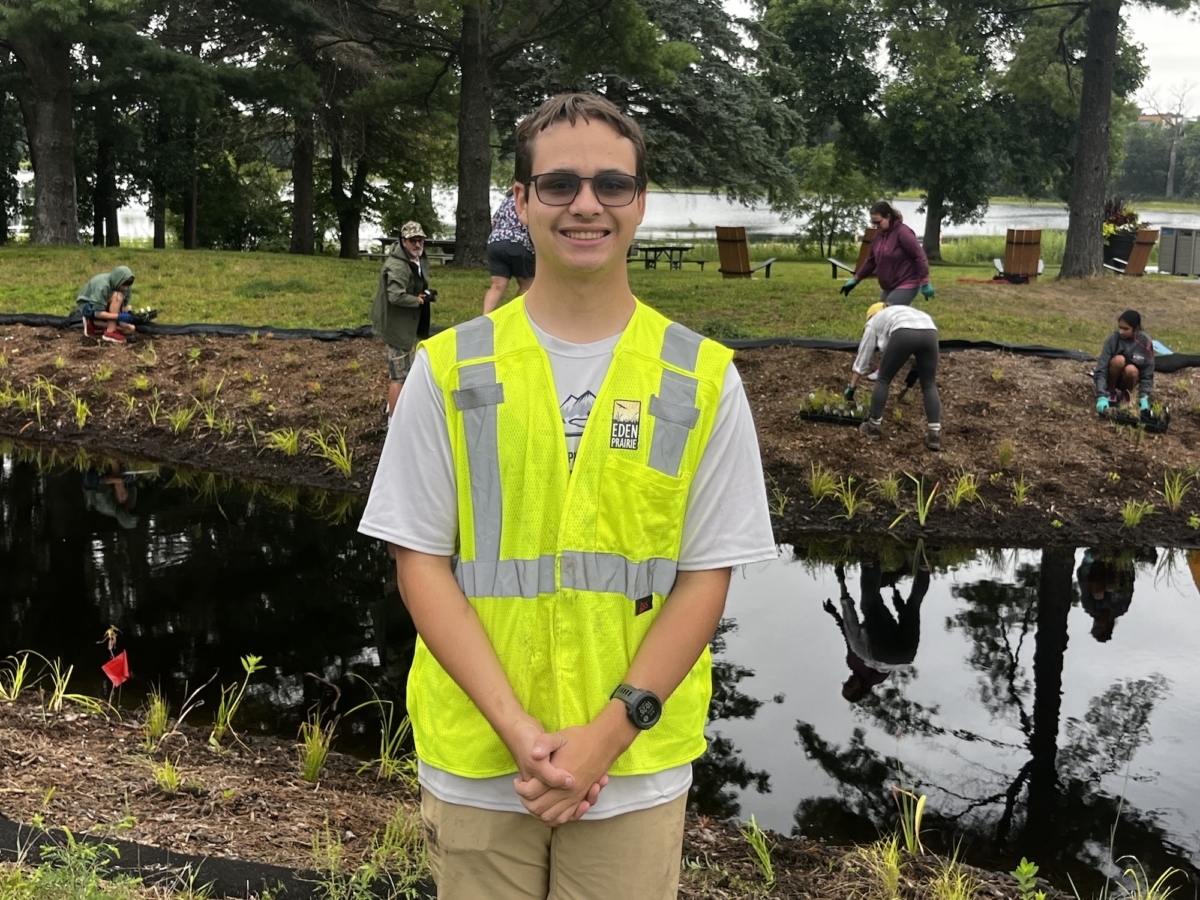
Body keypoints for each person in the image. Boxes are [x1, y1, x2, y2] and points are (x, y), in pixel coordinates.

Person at [358, 92, 776, 900]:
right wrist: (521, 733)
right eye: (559, 185)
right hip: (482, 761)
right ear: (520, 202)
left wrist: (606, 737)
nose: (586, 204)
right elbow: (421, 564)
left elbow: (704, 577)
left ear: (640, 201)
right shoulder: (448, 369)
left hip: (633, 768)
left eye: (612, 185)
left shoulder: (703, 377)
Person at [824, 558, 928, 703]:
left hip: (905, 655)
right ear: (860, 689)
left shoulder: (856, 663)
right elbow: (851, 630)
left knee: (912, 605)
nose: (849, 681)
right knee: (869, 601)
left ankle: (921, 567)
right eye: (850, 686)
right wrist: (841, 582)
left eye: (846, 683)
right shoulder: (870, 674)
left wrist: (835, 614)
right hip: (886, 651)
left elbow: (847, 632)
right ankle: (870, 560)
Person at [844, 302, 943, 450]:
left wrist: (851, 387)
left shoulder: (873, 322)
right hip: (930, 331)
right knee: (929, 384)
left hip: (904, 332)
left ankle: (873, 427)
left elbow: (863, 357)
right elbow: (916, 338)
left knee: (883, 379)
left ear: (871, 315)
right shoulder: (902, 312)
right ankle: (934, 435)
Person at [370, 221, 435, 416]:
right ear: (403, 241)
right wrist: (419, 300)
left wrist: (425, 292)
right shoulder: (397, 266)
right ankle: (393, 423)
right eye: (413, 240)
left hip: (409, 325)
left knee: (407, 371)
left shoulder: (418, 258)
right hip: (396, 328)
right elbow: (395, 296)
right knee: (398, 377)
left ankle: (397, 409)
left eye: (421, 240)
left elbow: (417, 281)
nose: (418, 244)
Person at [840, 201, 935, 307]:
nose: (876, 226)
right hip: (888, 286)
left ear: (888, 216)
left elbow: (919, 256)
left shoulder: (903, 233)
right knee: (882, 316)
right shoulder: (877, 236)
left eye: (878, 222)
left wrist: (925, 282)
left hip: (907, 282)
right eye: (873, 223)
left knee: (887, 312)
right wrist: (856, 279)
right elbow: (871, 261)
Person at [483, 188, 536, 313]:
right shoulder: (528, 201)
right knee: (526, 285)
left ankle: (484, 317)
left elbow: (493, 223)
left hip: (495, 242)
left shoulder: (506, 201)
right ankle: (516, 315)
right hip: (518, 243)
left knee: (497, 286)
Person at [1094, 309, 1154, 415]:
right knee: (1118, 360)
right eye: (1120, 327)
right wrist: (1101, 395)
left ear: (1135, 329)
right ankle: (1110, 393)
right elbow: (1101, 368)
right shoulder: (1113, 339)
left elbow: (1147, 374)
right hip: (1112, 377)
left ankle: (1126, 396)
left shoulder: (1146, 343)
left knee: (1131, 369)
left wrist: (1144, 397)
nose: (1121, 331)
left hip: (1130, 379)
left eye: (1125, 329)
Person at [1076, 549, 1140, 643]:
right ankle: (1122, 554)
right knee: (1104, 589)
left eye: (1094, 626)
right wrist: (1127, 563)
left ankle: (1096, 555)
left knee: (1097, 593)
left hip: (1097, 560)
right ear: (1108, 626)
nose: (1096, 623)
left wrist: (1088, 561)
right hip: (1118, 565)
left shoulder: (1089, 606)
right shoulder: (1120, 608)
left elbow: (1083, 581)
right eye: (1099, 627)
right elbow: (1128, 584)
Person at [76, 266, 136, 344]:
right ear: (118, 281)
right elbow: (98, 313)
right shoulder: (102, 286)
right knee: (117, 296)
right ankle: (110, 332)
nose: (126, 288)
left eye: (127, 286)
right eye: (124, 285)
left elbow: (123, 305)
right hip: (90, 307)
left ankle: (95, 323)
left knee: (130, 329)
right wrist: (119, 316)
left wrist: (129, 315)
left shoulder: (125, 288)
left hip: (104, 305)